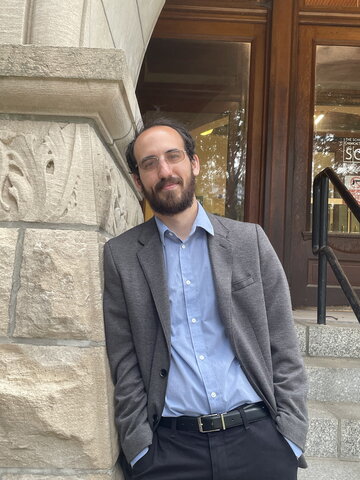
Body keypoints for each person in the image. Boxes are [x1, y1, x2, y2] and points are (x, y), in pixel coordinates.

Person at [103, 118, 308, 480]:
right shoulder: (121, 256)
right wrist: (140, 449)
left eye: (173, 156)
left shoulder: (250, 241)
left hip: (258, 443)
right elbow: (125, 360)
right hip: (169, 453)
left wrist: (289, 437)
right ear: (138, 181)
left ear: (194, 163)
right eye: (150, 164)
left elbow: (283, 344)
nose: (165, 171)